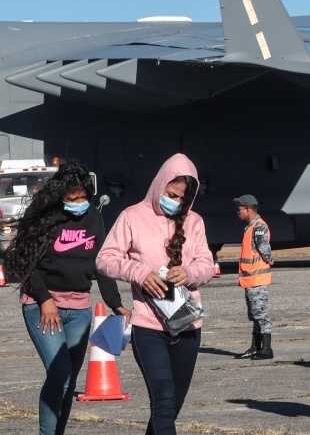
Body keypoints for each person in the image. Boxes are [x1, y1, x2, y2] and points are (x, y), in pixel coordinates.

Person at [4, 161, 131, 435]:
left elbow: (103, 264)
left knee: (69, 382)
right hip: (42, 307)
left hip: (80, 310)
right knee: (59, 373)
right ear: (60, 194)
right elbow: (27, 262)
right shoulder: (43, 216)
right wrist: (44, 298)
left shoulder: (94, 219)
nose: (79, 203)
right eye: (72, 198)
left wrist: (116, 304)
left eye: (83, 197)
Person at [96, 154, 213, 435]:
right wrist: (139, 273)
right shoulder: (132, 217)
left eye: (181, 199)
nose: (174, 201)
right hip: (148, 326)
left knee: (172, 406)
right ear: (159, 184)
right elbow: (105, 259)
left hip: (187, 324)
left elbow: (207, 265)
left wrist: (189, 272)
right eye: (171, 194)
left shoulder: (194, 222)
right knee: (162, 398)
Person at [234, 194, 274, 360]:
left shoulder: (258, 226)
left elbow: (264, 247)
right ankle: (255, 347)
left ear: (248, 209)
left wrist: (270, 259)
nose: (238, 212)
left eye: (240, 209)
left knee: (261, 315)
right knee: (255, 315)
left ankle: (266, 349)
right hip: (250, 280)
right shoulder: (251, 226)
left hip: (257, 279)